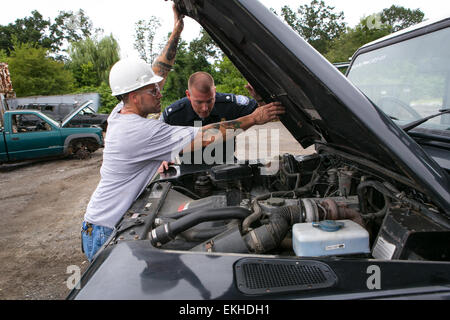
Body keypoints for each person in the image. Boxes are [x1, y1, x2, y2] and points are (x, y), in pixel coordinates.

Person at [80, 7, 286, 262]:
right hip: (106, 230)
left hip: (102, 221)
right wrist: (254, 118)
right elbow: (206, 136)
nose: (159, 93)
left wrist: (176, 31)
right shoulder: (139, 130)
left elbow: (160, 70)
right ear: (134, 96)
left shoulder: (122, 110)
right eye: (153, 91)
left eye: (157, 88)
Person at [159, 72, 272, 170]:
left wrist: (260, 98)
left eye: (209, 101)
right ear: (188, 95)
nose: (205, 108)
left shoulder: (230, 104)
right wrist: (161, 159)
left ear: (214, 91)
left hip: (227, 165)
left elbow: (265, 113)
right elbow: (155, 141)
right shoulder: (174, 114)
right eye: (199, 102)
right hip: (190, 169)